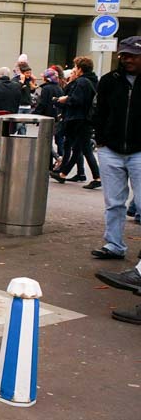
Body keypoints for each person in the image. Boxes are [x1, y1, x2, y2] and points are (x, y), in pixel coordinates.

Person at [89, 36, 141, 267]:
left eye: (132, 56)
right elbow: (100, 111)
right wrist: (100, 140)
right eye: (123, 55)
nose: (126, 59)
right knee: (114, 202)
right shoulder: (111, 80)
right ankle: (113, 244)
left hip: (139, 151)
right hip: (111, 149)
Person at [51, 57, 99, 187]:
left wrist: (64, 99)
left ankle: (97, 177)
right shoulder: (93, 80)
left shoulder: (82, 82)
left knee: (84, 149)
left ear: (80, 69)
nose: (74, 70)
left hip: (79, 119)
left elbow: (77, 100)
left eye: (76, 68)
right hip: (85, 119)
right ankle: (64, 174)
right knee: (78, 148)